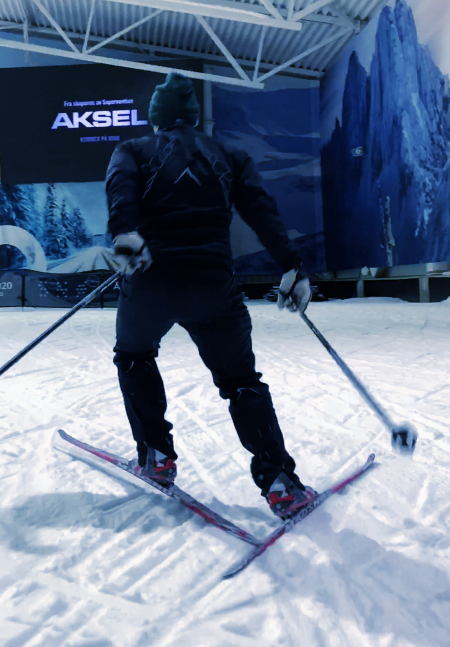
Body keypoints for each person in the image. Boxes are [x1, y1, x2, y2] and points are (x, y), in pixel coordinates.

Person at [105, 72, 315, 519]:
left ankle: (156, 456)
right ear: (195, 118)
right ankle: (280, 481)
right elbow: (263, 213)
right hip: (213, 286)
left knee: (134, 355)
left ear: (156, 118)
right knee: (241, 381)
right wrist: (292, 267)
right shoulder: (229, 155)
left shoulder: (132, 151)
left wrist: (125, 235)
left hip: (150, 282)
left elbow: (121, 197)